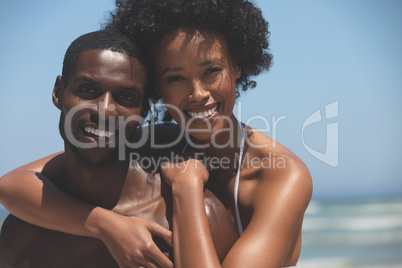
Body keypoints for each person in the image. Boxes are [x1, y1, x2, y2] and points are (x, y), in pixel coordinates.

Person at [0, 0, 313, 267]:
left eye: (211, 71)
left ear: (237, 66)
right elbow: (14, 184)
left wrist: (187, 188)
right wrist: (106, 225)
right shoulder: (161, 138)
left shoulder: (282, 175)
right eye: (176, 77)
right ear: (157, 90)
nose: (198, 94)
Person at [0, 30, 237, 268]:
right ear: (58, 92)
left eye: (125, 97)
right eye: (88, 90)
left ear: (144, 112)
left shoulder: (193, 218)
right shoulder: (25, 231)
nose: (104, 111)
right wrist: (105, 225)